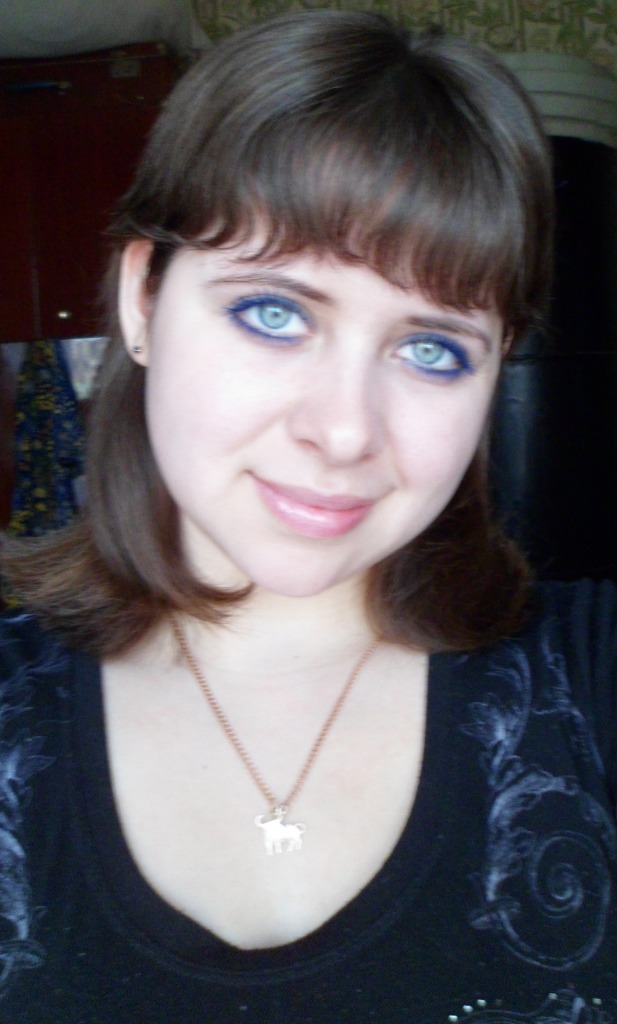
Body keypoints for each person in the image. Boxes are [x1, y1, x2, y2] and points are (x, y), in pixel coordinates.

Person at [1, 9, 616, 1021]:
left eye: (431, 349)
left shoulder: (587, 677)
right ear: (143, 300)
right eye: (273, 312)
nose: (342, 431)